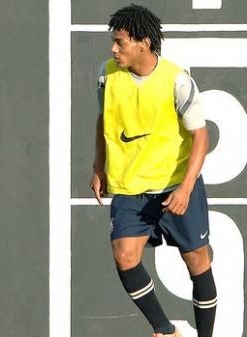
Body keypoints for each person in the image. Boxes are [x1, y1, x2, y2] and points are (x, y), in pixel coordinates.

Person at [90, 4, 217, 337]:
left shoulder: (177, 81)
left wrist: (186, 188)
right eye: (113, 42)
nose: (113, 49)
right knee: (125, 256)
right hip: (130, 188)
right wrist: (98, 167)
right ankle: (165, 329)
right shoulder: (107, 74)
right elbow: (104, 120)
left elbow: (201, 137)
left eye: (120, 42)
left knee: (198, 262)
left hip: (175, 186)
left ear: (143, 43)